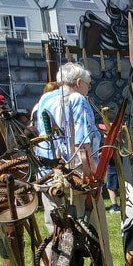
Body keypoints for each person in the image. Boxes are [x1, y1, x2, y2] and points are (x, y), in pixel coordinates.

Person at [31, 62, 102, 231]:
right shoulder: (78, 99)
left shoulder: (45, 99)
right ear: (78, 82)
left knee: (56, 228)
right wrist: (92, 173)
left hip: (48, 175)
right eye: (88, 85)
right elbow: (82, 143)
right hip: (74, 176)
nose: (88, 88)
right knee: (88, 229)